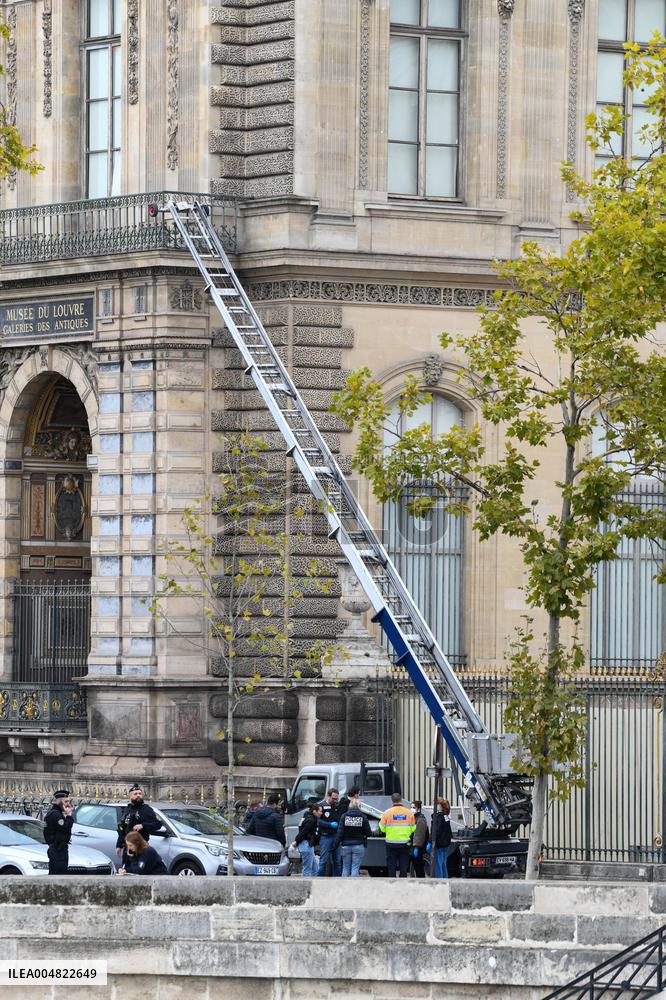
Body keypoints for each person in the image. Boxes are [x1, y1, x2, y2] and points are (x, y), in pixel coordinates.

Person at [116, 784, 163, 864]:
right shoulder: (127, 809)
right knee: (126, 869)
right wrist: (118, 845)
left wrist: (143, 826)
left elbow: (158, 824)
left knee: (138, 870)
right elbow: (122, 828)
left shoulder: (147, 809)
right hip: (128, 848)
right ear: (130, 796)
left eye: (140, 793)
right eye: (135, 794)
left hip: (141, 849)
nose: (138, 795)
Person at [379, 793, 415, 878]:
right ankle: (402, 882)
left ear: (392, 801)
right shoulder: (409, 813)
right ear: (401, 800)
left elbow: (382, 828)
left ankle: (392, 882)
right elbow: (413, 828)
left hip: (391, 843)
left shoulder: (386, 813)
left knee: (391, 865)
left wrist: (389, 831)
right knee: (403, 866)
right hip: (405, 843)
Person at [333, 796, 371, 878]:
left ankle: (344, 885)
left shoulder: (344, 816)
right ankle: (354, 885)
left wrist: (335, 845)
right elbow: (368, 833)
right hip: (358, 845)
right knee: (355, 868)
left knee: (345, 868)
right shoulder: (363, 817)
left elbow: (339, 833)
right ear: (359, 806)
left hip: (345, 846)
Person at [43, 789, 73, 875]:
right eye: (66, 801)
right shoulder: (55, 814)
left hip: (58, 849)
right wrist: (69, 816)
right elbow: (66, 827)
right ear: (59, 801)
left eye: (68, 801)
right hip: (58, 850)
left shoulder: (57, 813)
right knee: (59, 876)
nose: (68, 804)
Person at [317, 788, 344, 877]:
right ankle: (319, 880)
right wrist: (329, 825)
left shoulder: (337, 806)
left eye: (336, 799)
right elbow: (318, 821)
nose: (335, 800)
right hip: (325, 837)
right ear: (328, 796)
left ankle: (337, 880)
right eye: (333, 798)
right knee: (323, 861)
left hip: (336, 837)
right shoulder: (321, 806)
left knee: (337, 861)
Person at [290, 802, 322, 877]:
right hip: (306, 845)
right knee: (307, 869)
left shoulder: (307, 817)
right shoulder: (311, 820)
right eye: (320, 811)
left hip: (307, 845)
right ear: (314, 811)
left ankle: (313, 882)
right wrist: (296, 841)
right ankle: (305, 883)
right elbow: (303, 833)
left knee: (315, 868)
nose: (321, 813)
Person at [434, 797, 453, 878]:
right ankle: (445, 880)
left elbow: (437, 831)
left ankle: (440, 881)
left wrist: (430, 841)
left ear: (439, 805)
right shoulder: (446, 816)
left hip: (439, 844)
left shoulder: (439, 817)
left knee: (438, 864)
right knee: (443, 863)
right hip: (445, 843)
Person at [410, 801, 429, 878]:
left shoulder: (420, 819)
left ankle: (421, 881)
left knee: (419, 867)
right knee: (417, 866)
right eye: (411, 807)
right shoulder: (415, 817)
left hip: (418, 847)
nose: (412, 809)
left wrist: (416, 847)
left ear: (418, 809)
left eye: (414, 807)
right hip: (415, 846)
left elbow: (419, 834)